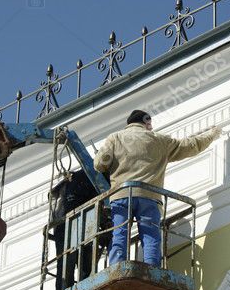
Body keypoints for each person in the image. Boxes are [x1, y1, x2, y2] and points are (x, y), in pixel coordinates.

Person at [94, 109, 221, 267]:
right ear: (146, 122)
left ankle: (115, 267)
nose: (151, 127)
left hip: (121, 196)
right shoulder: (160, 140)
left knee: (119, 234)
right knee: (150, 237)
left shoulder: (115, 138)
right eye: (150, 124)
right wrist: (211, 135)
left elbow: (99, 164)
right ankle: (152, 269)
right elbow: (189, 146)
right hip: (149, 197)